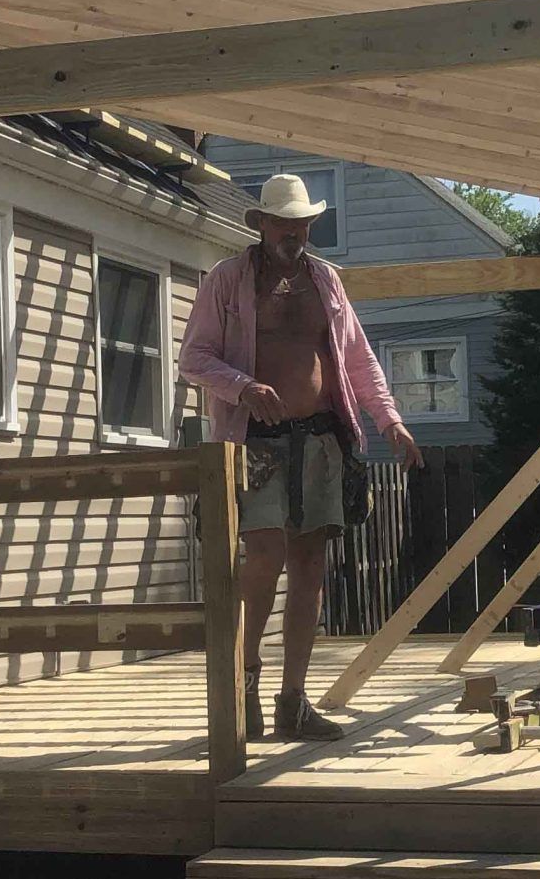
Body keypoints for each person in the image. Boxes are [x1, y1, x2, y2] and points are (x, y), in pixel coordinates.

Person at [180, 172, 421, 740]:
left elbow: (358, 360)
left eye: (303, 224)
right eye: (285, 224)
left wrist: (389, 419)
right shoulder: (228, 279)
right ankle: (243, 683)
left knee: (310, 568)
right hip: (256, 443)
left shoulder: (326, 280)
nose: (295, 233)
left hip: (319, 439)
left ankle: (293, 700)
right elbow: (194, 358)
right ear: (262, 224)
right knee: (264, 557)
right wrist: (243, 386)